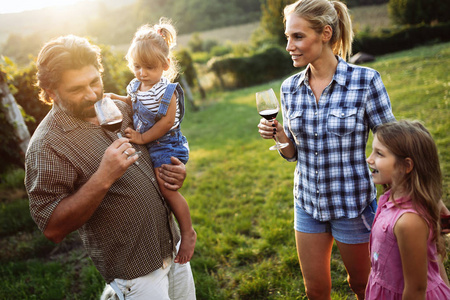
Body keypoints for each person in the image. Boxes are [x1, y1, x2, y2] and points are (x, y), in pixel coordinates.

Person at [25, 34, 196, 299]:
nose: (92, 94)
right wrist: (103, 177)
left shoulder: (119, 107)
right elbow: (53, 228)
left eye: (95, 81)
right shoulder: (47, 145)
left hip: (172, 248)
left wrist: (174, 172)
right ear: (50, 94)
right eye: (76, 89)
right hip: (136, 273)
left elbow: (157, 147)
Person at [257, 0, 396, 298]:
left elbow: (394, 143)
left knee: (364, 285)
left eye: (298, 36)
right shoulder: (289, 88)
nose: (289, 46)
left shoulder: (365, 81)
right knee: (315, 289)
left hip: (352, 206)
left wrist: (414, 195)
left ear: (325, 33)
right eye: (287, 37)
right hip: (307, 203)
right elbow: (293, 153)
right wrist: (280, 136)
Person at [106, 19, 196, 265]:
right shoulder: (137, 85)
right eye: (137, 66)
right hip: (152, 143)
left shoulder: (167, 91)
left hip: (167, 144)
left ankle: (188, 232)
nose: (142, 73)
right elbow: (133, 101)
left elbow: (166, 123)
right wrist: (115, 97)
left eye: (149, 67)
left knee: (167, 187)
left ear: (165, 65)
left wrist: (142, 138)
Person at [365, 120, 450, 299]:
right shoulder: (388, 198)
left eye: (379, 153)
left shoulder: (409, 221)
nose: (369, 159)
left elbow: (416, 289)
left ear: (406, 166)